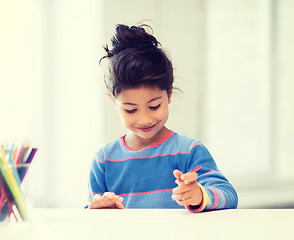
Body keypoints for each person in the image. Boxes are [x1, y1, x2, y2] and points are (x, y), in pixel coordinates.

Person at [87, 24, 238, 212]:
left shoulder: (188, 151)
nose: (144, 119)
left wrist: (200, 195)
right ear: (114, 101)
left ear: (169, 93)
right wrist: (101, 210)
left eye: (154, 106)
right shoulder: (104, 160)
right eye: (131, 110)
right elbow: (89, 212)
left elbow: (228, 194)